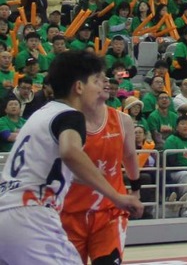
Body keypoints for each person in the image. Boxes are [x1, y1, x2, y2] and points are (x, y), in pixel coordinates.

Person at [0, 51, 142, 265]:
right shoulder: (71, 116)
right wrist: (116, 196)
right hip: (31, 215)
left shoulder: (40, 114)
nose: (100, 88)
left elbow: (62, 168)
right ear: (79, 87)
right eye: (96, 81)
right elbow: (70, 153)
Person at [60, 72, 141, 265]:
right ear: (79, 87)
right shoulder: (64, 122)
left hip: (109, 212)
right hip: (69, 213)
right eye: (97, 79)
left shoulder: (122, 120)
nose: (105, 81)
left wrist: (136, 188)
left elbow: (130, 156)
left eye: (105, 78)